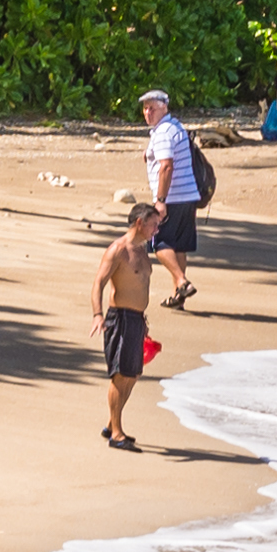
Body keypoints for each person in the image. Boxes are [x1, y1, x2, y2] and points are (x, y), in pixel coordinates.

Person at [81, 199, 162, 449]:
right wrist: (97, 314)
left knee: (134, 373)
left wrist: (143, 321)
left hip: (136, 319)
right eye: (153, 225)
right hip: (121, 318)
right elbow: (98, 283)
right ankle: (117, 433)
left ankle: (111, 423)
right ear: (139, 223)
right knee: (121, 374)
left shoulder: (142, 248)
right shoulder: (118, 249)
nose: (156, 230)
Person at [137, 89, 214, 308]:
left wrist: (160, 200)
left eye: (152, 107)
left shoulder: (162, 132)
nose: (148, 112)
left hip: (172, 197)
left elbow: (166, 166)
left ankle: (181, 282)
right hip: (188, 195)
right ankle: (178, 296)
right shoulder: (175, 127)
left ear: (164, 107)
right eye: (145, 108)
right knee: (178, 246)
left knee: (158, 242)